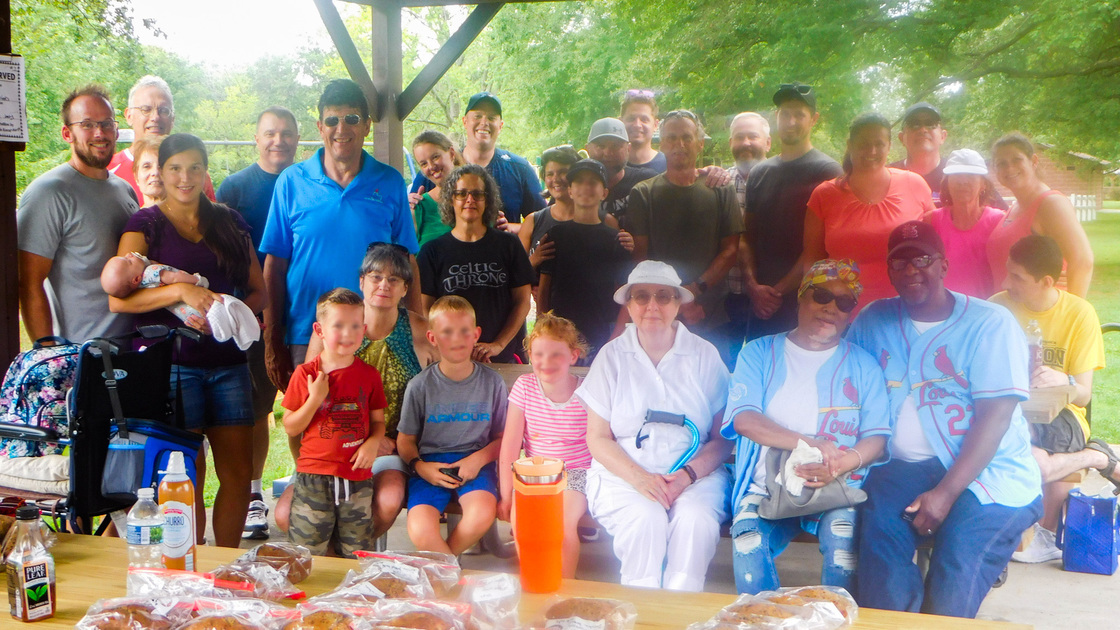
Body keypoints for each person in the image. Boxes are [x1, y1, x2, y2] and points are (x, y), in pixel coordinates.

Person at [846, 221, 1042, 618]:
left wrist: (946, 493)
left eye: (922, 259)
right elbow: (845, 384)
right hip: (900, 468)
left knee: (955, 566)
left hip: (989, 473)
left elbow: (996, 416)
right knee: (879, 554)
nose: (910, 270)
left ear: (943, 265)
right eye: (898, 262)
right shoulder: (873, 320)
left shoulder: (990, 323)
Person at [109, 133, 267, 548]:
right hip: (175, 366)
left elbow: (259, 291)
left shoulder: (230, 221)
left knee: (235, 472)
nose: (185, 176)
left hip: (229, 363)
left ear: (205, 171)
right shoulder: (145, 225)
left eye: (194, 167)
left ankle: (226, 562)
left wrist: (226, 312)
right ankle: (190, 563)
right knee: (186, 475)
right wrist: (180, 292)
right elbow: (118, 298)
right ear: (160, 173)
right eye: (175, 167)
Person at [724, 259, 890, 594]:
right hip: (765, 487)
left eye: (844, 303)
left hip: (836, 487)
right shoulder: (759, 352)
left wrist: (840, 464)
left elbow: (877, 437)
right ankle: (765, 617)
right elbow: (744, 419)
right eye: (822, 296)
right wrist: (808, 443)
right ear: (801, 297)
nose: (831, 308)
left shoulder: (864, 364)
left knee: (844, 552)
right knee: (747, 543)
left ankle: (836, 617)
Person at [577, 260, 733, 591]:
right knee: (644, 520)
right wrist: (640, 478)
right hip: (624, 475)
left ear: (678, 303)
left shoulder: (704, 355)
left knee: (694, 521)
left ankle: (680, 611)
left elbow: (723, 439)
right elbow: (598, 438)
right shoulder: (612, 356)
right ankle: (642, 610)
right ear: (629, 304)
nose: (652, 306)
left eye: (663, 296)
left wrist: (688, 476)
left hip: (695, 474)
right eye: (641, 296)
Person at [260, 79, 419, 393]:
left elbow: (407, 263)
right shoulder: (292, 182)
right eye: (332, 120)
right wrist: (272, 339)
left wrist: (415, 328)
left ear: (367, 126)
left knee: (377, 426)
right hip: (306, 332)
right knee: (310, 431)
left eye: (352, 119)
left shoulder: (389, 182)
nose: (341, 128)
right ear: (320, 127)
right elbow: (274, 267)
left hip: (375, 332)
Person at [273, 243, 440, 540]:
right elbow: (304, 402)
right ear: (361, 281)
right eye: (376, 277)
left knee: (387, 501)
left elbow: (437, 397)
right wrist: (305, 463)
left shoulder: (420, 330)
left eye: (394, 279)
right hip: (331, 447)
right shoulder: (333, 328)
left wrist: (394, 443)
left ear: (405, 289)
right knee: (286, 514)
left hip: (393, 447)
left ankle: (352, 554)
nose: (384, 285)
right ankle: (339, 556)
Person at [988, 235, 1117, 563]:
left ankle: (1041, 532)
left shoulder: (1079, 313)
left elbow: (1085, 393)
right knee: (1035, 463)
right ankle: (1096, 458)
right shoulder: (997, 307)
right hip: (1013, 408)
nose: (1007, 283)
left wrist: (1066, 380)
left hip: (1063, 413)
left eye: (1017, 277)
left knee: (1039, 463)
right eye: (1008, 273)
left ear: (1046, 281)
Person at [217, 105, 301, 540]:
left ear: (299, 138)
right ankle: (253, 496)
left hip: (303, 313)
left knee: (305, 405)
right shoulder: (235, 188)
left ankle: (308, 484)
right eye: (270, 133)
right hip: (250, 321)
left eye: (286, 133)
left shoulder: (307, 182)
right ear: (256, 138)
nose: (278, 141)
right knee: (256, 411)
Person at [17, 84, 138, 343]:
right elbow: (29, 283)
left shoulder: (124, 190)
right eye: (87, 124)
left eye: (106, 124)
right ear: (66, 133)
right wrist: (49, 351)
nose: (100, 133)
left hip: (137, 349)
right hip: (81, 355)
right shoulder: (48, 192)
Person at [280, 288, 387, 557]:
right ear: (320, 329)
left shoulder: (369, 375)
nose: (348, 334)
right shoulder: (306, 374)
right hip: (314, 476)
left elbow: (377, 421)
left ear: (363, 329)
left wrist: (373, 443)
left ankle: (351, 599)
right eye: (338, 326)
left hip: (357, 477)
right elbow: (291, 426)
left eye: (354, 326)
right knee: (307, 552)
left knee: (357, 553)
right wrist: (315, 398)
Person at [628, 110, 742, 359]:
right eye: (671, 138)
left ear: (700, 144)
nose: (679, 144)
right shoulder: (643, 193)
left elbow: (731, 249)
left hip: (712, 313)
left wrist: (695, 292)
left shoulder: (721, 189)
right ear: (661, 144)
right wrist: (675, 301)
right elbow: (641, 258)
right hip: (660, 314)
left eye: (687, 138)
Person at [397, 296, 506, 554]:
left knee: (480, 515)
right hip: (432, 465)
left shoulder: (493, 383)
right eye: (447, 332)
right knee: (420, 530)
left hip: (476, 463)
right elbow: (405, 440)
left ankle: (444, 568)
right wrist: (420, 467)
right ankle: (450, 573)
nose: (456, 339)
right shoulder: (419, 386)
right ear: (432, 338)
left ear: (476, 334)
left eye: (464, 331)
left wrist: (477, 461)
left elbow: (504, 438)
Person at [801, 113, 935, 311]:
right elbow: (811, 261)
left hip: (906, 310)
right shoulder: (824, 195)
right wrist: (811, 304)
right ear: (850, 145)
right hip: (842, 311)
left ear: (889, 146)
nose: (871, 151)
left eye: (879, 144)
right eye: (863, 144)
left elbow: (934, 250)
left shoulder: (915, 184)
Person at [741, 83, 843, 342]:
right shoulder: (760, 173)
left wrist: (776, 292)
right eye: (785, 113)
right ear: (776, 117)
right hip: (760, 304)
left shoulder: (828, 173)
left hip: (805, 302)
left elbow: (819, 246)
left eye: (799, 114)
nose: (791, 121)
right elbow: (746, 237)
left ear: (814, 119)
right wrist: (753, 286)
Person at [497, 312, 593, 578]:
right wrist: (507, 495)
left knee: (560, 524)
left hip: (577, 473)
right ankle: (535, 579)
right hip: (534, 473)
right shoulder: (525, 386)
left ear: (574, 356)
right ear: (529, 354)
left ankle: (564, 588)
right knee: (523, 523)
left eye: (556, 355)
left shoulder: (587, 392)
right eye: (538, 354)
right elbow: (509, 447)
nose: (545, 362)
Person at [418, 164, 533, 363]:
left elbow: (522, 302)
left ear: (487, 200)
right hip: (452, 361)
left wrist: (498, 345)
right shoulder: (432, 251)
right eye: (461, 193)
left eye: (477, 194)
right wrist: (455, 348)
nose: (469, 200)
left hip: (501, 358)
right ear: (451, 199)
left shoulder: (508, 245)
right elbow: (426, 310)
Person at [538, 159, 631, 360]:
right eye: (579, 182)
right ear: (570, 190)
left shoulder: (616, 239)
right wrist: (543, 327)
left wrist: (614, 339)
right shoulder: (556, 235)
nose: (586, 187)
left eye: (593, 182)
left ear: (604, 192)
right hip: (561, 333)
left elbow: (626, 295)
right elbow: (544, 287)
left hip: (602, 333)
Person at [409, 92, 545, 229]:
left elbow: (543, 223)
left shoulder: (520, 169)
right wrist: (407, 205)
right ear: (465, 121)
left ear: (500, 125)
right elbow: (408, 221)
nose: (484, 122)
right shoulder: (436, 170)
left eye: (491, 118)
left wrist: (509, 227)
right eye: (478, 116)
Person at [987, 132, 1094, 298]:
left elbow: (1082, 262)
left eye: (1017, 159)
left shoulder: (1051, 204)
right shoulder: (1015, 207)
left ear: (1033, 161)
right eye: (1001, 163)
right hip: (1012, 314)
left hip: (1041, 315)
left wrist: (1069, 314)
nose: (1009, 168)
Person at [100, 253, 258, 350]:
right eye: (128, 261)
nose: (129, 255)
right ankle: (248, 322)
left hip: (187, 314)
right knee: (225, 304)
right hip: (196, 300)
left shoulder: (144, 288)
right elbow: (174, 277)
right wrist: (195, 279)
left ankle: (242, 324)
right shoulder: (151, 272)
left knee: (223, 317)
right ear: (135, 279)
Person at [108, 75, 215, 201]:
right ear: (129, 116)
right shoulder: (108, 171)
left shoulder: (194, 174)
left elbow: (211, 218)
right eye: (146, 109)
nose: (155, 117)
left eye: (163, 111)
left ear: (173, 119)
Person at [722, 112, 771, 352]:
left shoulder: (783, 180)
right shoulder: (717, 185)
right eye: (739, 138)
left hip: (772, 297)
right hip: (725, 298)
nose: (746, 143)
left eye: (753, 137)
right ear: (730, 143)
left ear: (768, 142)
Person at [927, 149, 1005, 298]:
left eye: (970, 175)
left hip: (985, 310)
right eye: (956, 175)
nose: (963, 181)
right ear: (947, 182)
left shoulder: (999, 222)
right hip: (944, 311)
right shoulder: (931, 221)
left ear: (983, 184)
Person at [584, 117, 657, 229]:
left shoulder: (647, 182)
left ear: (628, 148)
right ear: (587, 149)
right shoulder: (575, 185)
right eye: (600, 146)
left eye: (616, 146)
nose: (608, 153)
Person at [519, 145, 581, 276]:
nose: (556, 179)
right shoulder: (533, 221)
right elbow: (515, 274)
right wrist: (533, 260)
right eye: (550, 174)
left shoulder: (596, 219)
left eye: (563, 172)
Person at [410, 130, 462, 247]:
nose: (431, 167)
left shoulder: (478, 200)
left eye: (435, 157)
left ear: (452, 153)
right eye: (424, 164)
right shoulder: (418, 208)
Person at [621, 89, 666, 173]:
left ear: (655, 125)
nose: (637, 125)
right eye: (631, 119)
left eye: (644, 120)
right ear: (621, 122)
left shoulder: (668, 165)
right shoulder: (612, 166)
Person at [130, 137, 164, 207]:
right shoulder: (132, 217)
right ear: (136, 177)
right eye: (147, 166)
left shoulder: (190, 216)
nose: (155, 172)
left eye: (161, 166)